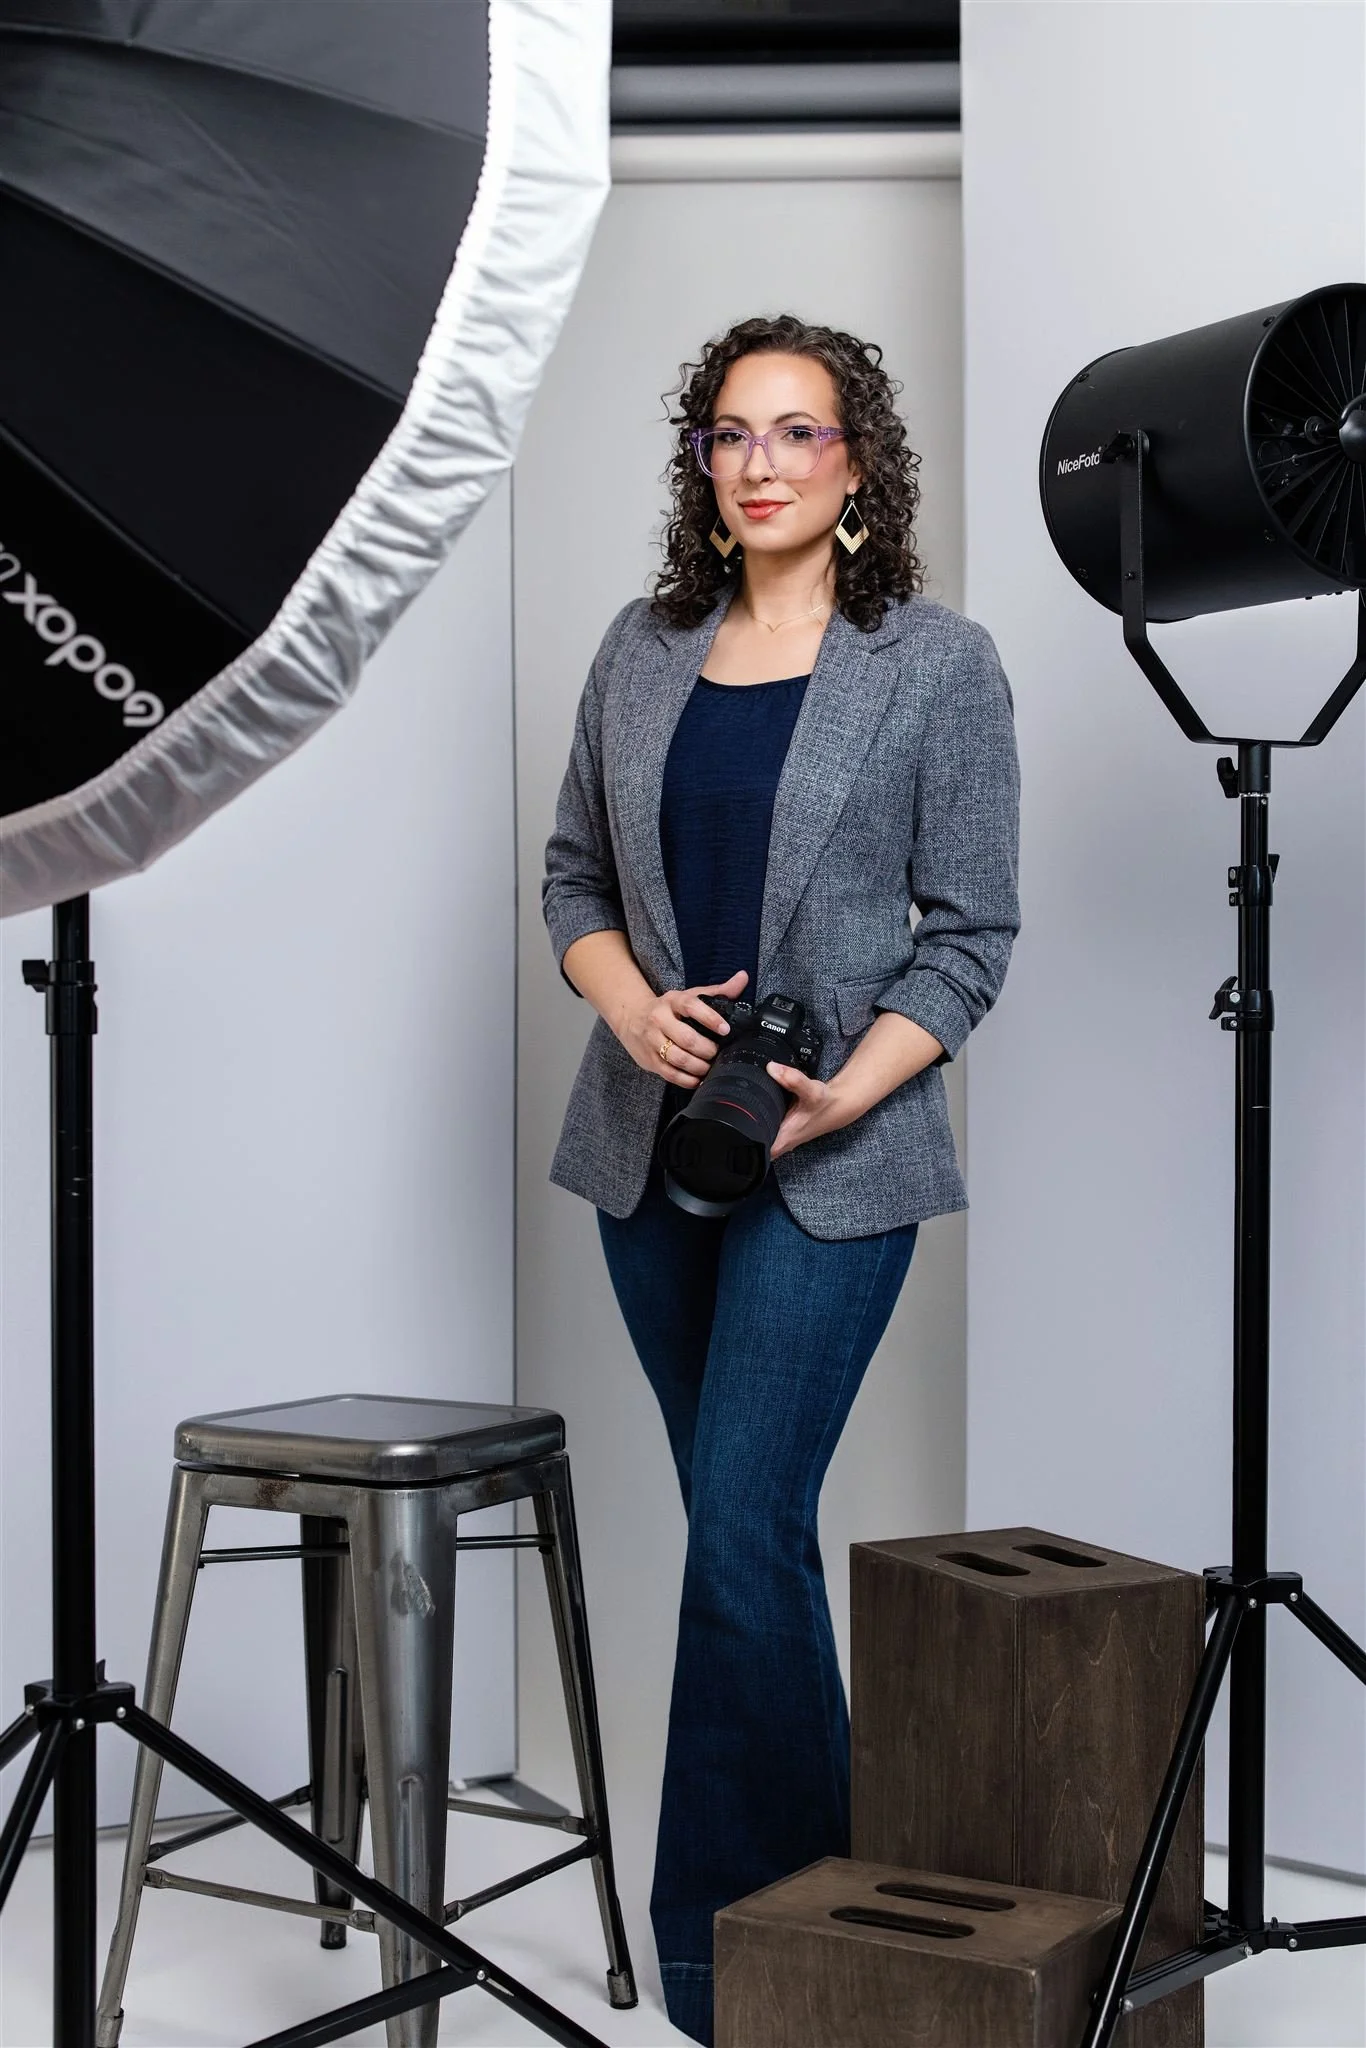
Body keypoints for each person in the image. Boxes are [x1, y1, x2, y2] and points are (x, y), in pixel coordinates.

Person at [540, 313, 1020, 2046]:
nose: (759, 464)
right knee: (743, 1546)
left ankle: (727, 1969)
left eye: (795, 432)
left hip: (835, 1159)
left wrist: (837, 1098)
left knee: (742, 1531)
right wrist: (629, 1006)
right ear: (703, 462)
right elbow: (572, 879)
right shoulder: (641, 647)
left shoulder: (934, 665)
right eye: (729, 434)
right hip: (649, 1153)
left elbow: (970, 936)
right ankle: (829, 1933)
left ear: (855, 460)